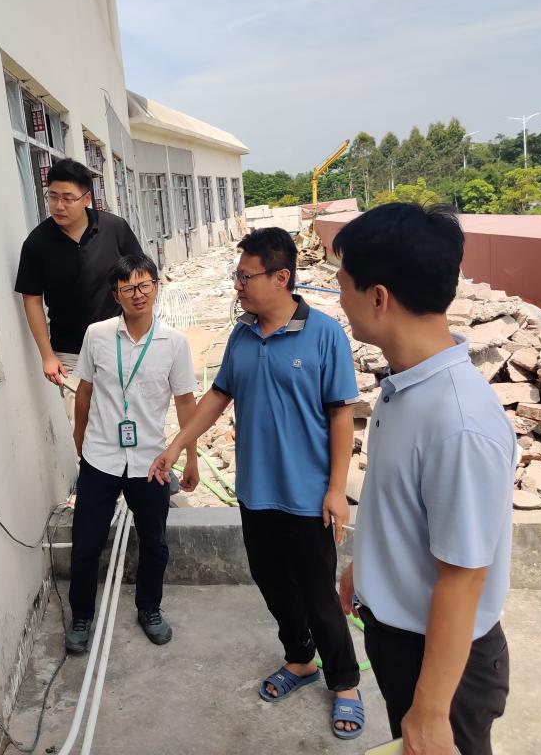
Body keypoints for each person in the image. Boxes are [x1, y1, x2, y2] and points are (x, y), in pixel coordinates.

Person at [149, 228, 365, 740]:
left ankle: (346, 683)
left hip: (307, 496)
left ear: (281, 277)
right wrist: (177, 445)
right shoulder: (242, 335)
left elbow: (342, 416)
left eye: (246, 277)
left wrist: (336, 489)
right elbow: (218, 396)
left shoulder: (324, 334)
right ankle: (300, 660)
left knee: (318, 594)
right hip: (255, 492)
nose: (237, 285)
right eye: (237, 275)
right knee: (272, 583)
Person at [334, 203, 515, 755]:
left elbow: (464, 578)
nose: (338, 298)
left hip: (442, 666)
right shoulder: (407, 386)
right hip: (402, 638)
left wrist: (432, 710)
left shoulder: (458, 422)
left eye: (342, 284)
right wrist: (367, 570)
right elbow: (405, 507)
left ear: (379, 297)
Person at [67, 254, 200, 652]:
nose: (137, 294)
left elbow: (186, 403)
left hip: (151, 461)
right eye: (128, 288)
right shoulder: (97, 335)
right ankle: (81, 617)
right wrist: (80, 440)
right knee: (86, 543)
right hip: (101, 456)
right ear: (116, 295)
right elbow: (85, 392)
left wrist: (191, 458)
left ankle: (150, 609)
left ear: (156, 287)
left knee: (154, 542)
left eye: (144, 285)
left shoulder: (174, 343)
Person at [15, 158, 143, 390]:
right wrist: (47, 356)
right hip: (71, 354)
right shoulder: (37, 243)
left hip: (122, 343)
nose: (58, 206)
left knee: (129, 410)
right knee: (82, 414)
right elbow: (32, 300)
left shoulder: (114, 228)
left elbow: (140, 276)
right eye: (53, 197)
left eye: (68, 198)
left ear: (87, 198)